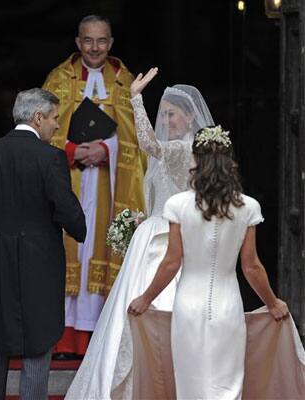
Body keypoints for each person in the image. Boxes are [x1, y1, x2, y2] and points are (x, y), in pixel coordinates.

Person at [65, 68, 215, 399]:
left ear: (190, 119)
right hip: (152, 232)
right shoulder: (175, 149)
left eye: (172, 114)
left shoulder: (183, 149)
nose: (167, 120)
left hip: (168, 239)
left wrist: (135, 99)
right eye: (163, 114)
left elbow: (146, 143)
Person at [127, 125, 290, 398]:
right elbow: (251, 266)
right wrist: (272, 303)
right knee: (228, 385)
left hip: (187, 306)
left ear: (194, 160)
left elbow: (171, 262)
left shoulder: (178, 204)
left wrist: (145, 298)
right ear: (230, 162)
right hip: (229, 306)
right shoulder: (248, 207)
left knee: (191, 385)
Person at [0, 88, 86, 400]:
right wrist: (78, 228)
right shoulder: (51, 157)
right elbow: (67, 211)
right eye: (55, 118)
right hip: (41, 262)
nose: (58, 125)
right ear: (38, 117)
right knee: (40, 337)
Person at [42, 14, 146, 357]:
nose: (95, 48)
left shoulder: (125, 82)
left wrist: (107, 149)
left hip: (108, 186)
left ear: (111, 43)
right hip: (68, 183)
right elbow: (40, 129)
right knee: (70, 249)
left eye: (102, 41)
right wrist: (71, 150)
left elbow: (139, 138)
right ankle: (65, 338)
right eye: (88, 40)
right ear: (78, 42)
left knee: (101, 247)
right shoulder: (58, 79)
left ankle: (100, 340)